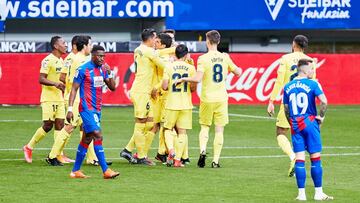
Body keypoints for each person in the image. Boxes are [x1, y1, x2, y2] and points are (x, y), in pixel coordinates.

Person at [178, 30, 241, 168]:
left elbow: (198, 78)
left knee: (205, 127)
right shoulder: (225, 57)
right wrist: (228, 67)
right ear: (218, 41)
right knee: (219, 129)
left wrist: (184, 79)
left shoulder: (203, 58)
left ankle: (202, 151)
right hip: (221, 98)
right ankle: (216, 161)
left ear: (207, 41)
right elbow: (239, 72)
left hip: (207, 98)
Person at [47, 35, 102, 165]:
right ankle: (52, 155)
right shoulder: (82, 61)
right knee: (69, 127)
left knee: (88, 128)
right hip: (77, 98)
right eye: (90, 44)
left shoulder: (72, 58)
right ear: (84, 46)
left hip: (77, 97)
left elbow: (64, 77)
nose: (91, 47)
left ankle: (92, 158)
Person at [283, 59, 333, 201]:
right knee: (315, 158)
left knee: (299, 160)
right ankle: (318, 193)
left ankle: (301, 195)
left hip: (295, 124)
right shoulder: (313, 83)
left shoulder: (287, 87)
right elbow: (324, 101)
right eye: (311, 68)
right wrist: (321, 117)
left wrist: (291, 123)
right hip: (310, 123)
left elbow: (286, 109)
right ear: (304, 70)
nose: (312, 71)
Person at [267, 35, 317, 177]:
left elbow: (279, 81)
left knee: (281, 132)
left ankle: (293, 157)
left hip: (290, 101)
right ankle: (305, 163)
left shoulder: (285, 59)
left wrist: (271, 101)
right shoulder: (310, 61)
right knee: (302, 133)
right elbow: (313, 85)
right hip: (305, 105)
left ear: (293, 44)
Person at [67, 45, 119, 179]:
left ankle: (75, 171)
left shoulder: (103, 69)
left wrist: (110, 72)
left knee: (87, 138)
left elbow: (112, 87)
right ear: (93, 55)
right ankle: (106, 170)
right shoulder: (83, 69)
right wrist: (70, 108)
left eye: (104, 56)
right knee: (98, 134)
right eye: (99, 56)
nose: (102, 59)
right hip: (86, 108)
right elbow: (74, 89)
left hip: (97, 109)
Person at [119, 28, 166, 165]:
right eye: (155, 38)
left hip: (142, 90)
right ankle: (141, 156)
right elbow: (164, 66)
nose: (156, 41)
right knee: (141, 124)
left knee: (150, 123)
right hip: (141, 91)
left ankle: (128, 150)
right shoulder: (148, 51)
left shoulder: (139, 49)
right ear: (151, 38)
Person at [22, 36, 67, 165]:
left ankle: (58, 154)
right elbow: (41, 79)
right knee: (48, 126)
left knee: (60, 125)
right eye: (63, 43)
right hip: (48, 99)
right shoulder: (48, 60)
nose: (65, 45)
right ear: (56, 46)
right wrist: (55, 84)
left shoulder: (61, 61)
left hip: (59, 98)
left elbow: (62, 79)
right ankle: (29, 147)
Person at [162, 44, 196, 167]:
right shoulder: (191, 68)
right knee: (182, 133)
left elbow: (164, 86)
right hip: (186, 104)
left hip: (172, 103)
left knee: (167, 129)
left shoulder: (169, 67)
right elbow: (193, 88)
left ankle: (171, 150)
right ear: (186, 55)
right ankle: (177, 160)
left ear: (175, 54)